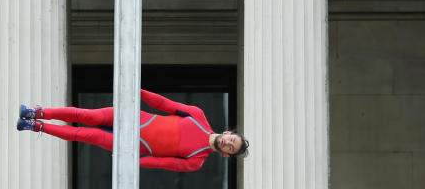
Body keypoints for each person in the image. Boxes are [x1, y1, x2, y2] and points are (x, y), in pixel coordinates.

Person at [15, 89, 249, 172]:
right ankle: (39, 112)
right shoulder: (198, 116)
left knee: (82, 134)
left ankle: (35, 126)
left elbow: (159, 163)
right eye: (232, 140)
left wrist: (131, 161)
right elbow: (164, 104)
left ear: (226, 154)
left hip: (131, 146)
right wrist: (139, 90)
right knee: (84, 115)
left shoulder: (196, 161)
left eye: (231, 148)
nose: (228, 144)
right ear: (228, 133)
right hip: (134, 118)